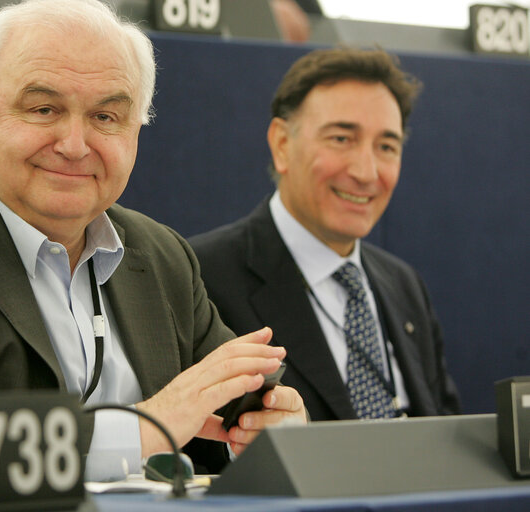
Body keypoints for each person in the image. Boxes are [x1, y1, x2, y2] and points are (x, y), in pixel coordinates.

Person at [0, 0, 306, 480]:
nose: (75, 145)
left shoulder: (162, 256)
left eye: (105, 118)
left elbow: (219, 416)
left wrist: (266, 431)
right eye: (45, 109)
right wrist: (144, 429)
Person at [190, 47, 461, 421]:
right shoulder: (201, 278)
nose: (366, 172)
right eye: (341, 139)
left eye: (386, 147)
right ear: (282, 144)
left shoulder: (404, 285)